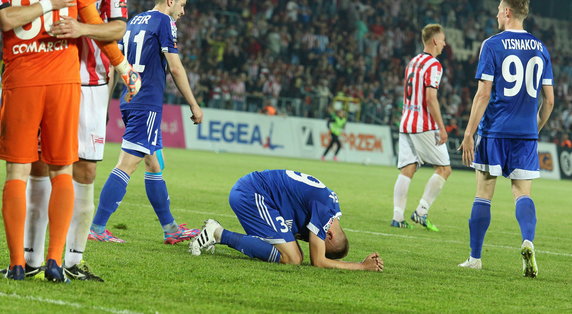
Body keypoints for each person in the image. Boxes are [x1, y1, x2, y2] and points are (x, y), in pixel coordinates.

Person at [0, 0, 139, 282]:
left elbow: (112, 27)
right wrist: (124, 67)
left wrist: (124, 68)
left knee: (43, 170)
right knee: (51, 169)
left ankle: (53, 263)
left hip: (54, 80)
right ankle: (40, 261)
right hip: (60, 78)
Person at [89, 0, 204, 244]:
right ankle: (97, 227)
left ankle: (170, 228)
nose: (183, 11)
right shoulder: (165, 21)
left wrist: (106, 103)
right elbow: (175, 66)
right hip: (147, 102)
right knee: (126, 165)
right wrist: (193, 103)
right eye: (182, 5)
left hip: (129, 99)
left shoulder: (132, 22)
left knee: (153, 164)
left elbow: (113, 66)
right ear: (170, 1)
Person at [458, 0, 554, 278]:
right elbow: (549, 101)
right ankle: (527, 241)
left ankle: (475, 258)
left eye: (499, 8)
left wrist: (468, 132)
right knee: (522, 193)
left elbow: (483, 93)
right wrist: (534, 127)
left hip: (494, 131)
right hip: (526, 134)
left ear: (508, 12)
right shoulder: (541, 48)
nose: (497, 13)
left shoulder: (492, 44)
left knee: (484, 193)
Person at [190, 170, 383, 272]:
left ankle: (219, 233)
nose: (311, 242)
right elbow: (319, 261)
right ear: (329, 235)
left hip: (258, 193)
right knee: (293, 258)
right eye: (318, 241)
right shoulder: (325, 214)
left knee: (292, 254)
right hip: (253, 193)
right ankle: (216, 232)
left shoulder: (331, 207)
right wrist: (361, 266)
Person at [390, 24, 451, 232]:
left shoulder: (413, 62)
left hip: (406, 121)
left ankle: (397, 217)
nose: (444, 43)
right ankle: (421, 212)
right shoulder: (434, 65)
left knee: (407, 169)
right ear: (434, 40)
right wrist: (441, 128)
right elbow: (430, 98)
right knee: (444, 169)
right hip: (422, 124)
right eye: (442, 39)